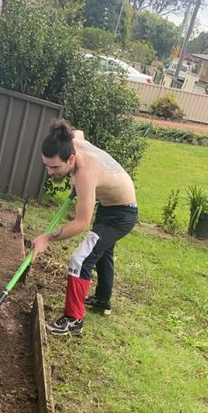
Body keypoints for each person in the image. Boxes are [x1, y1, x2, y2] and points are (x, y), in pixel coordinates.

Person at [31, 119, 138, 336]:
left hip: (122, 214)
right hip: (110, 205)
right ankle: (102, 301)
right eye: (46, 165)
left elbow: (81, 224)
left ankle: (73, 320)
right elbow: (78, 132)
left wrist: (47, 238)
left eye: (54, 167)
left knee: (81, 259)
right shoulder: (73, 141)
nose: (49, 172)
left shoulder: (86, 175)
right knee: (103, 251)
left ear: (71, 159)